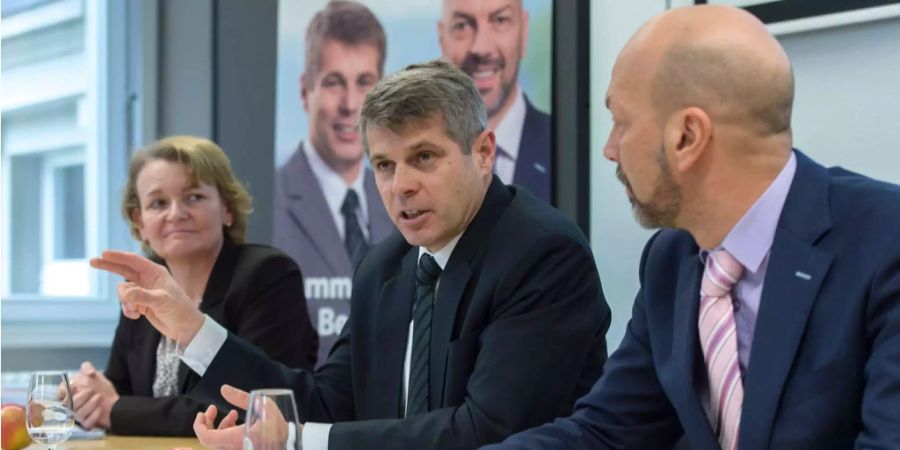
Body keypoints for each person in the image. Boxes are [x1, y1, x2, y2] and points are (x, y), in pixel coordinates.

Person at [91, 60, 611, 449]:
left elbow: (489, 429)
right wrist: (191, 328)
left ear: (482, 152)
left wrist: (297, 441)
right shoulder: (385, 267)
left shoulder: (542, 253)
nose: (400, 186)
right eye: (383, 166)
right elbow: (321, 403)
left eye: (423, 157)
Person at [487, 5, 900, 450]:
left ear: (687, 137)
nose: (610, 150)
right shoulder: (671, 260)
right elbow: (605, 432)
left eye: (621, 122)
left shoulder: (885, 241)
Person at [71, 136, 318, 436]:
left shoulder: (268, 275)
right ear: (140, 222)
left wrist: (114, 410)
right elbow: (118, 388)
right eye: (159, 203)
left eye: (194, 197)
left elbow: (248, 407)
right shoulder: (143, 285)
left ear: (227, 208)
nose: (176, 213)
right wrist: (88, 397)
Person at [274, 0, 394, 364]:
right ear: (305, 91)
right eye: (333, 83)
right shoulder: (270, 201)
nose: (350, 104)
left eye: (365, 83)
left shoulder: (402, 200)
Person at [438, 0, 552, 202]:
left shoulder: (562, 145)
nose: (481, 48)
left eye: (500, 20)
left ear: (523, 33)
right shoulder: (413, 161)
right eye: (462, 25)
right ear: (442, 39)